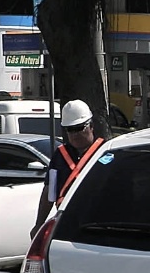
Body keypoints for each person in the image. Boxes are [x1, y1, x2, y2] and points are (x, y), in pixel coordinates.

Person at [33, 100, 104, 233]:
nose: (75, 134)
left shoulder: (104, 151)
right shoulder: (60, 155)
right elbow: (50, 191)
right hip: (66, 221)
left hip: (97, 221)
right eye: (70, 130)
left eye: (79, 128)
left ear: (91, 126)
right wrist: (39, 224)